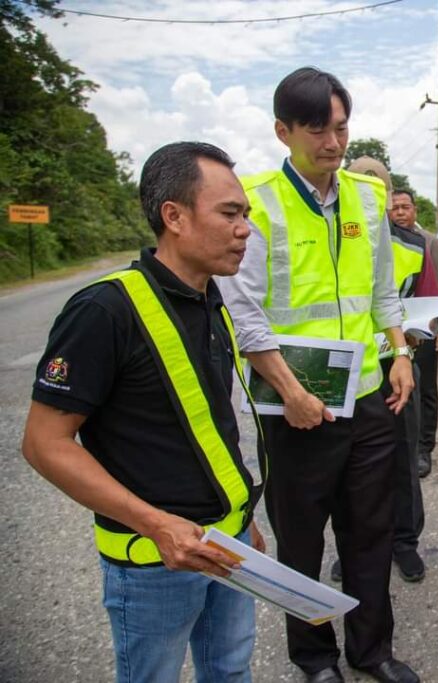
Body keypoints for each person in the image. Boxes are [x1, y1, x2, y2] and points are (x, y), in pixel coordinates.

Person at [21, 141, 266, 682]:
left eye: (246, 214)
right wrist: (156, 525)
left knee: (229, 670)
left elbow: (211, 427)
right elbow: (44, 443)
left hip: (227, 545)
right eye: (230, 213)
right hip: (154, 563)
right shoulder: (103, 310)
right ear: (173, 217)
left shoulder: (210, 298)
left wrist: (242, 517)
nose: (245, 228)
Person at [218, 68, 419, 683]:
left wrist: (401, 350)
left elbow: (383, 284)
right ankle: (313, 658)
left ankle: (371, 650)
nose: (333, 142)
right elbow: (241, 309)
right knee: (302, 542)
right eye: (317, 130)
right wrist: (291, 392)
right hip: (294, 410)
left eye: (341, 127)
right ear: (284, 131)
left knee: (370, 533)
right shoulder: (257, 202)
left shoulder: (367, 194)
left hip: (366, 400)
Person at [346, 157, 438, 584]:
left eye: (376, 184)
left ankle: (405, 543)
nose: (368, 190)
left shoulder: (413, 245)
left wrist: (409, 339)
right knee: (351, 469)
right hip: (348, 373)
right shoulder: (336, 237)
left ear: (387, 194)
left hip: (397, 366)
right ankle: (358, 543)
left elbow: (423, 311)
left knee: (402, 459)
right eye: (359, 180)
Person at [387, 187, 438, 478]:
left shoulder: (429, 243)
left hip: (423, 330)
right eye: (396, 207)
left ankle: (423, 448)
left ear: (415, 210)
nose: (401, 212)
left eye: (406, 207)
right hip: (391, 333)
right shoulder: (381, 241)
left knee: (426, 388)